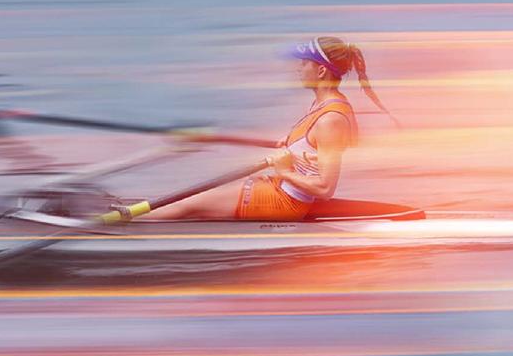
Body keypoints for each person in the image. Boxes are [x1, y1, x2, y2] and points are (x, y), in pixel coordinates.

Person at [147, 36, 392, 221]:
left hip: (287, 202)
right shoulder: (321, 105)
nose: (298, 68)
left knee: (187, 205)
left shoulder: (331, 120)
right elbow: (292, 145)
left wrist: (284, 171)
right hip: (277, 187)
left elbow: (326, 188)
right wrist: (218, 137)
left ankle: (118, 230)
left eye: (304, 63)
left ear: (321, 70)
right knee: (192, 200)